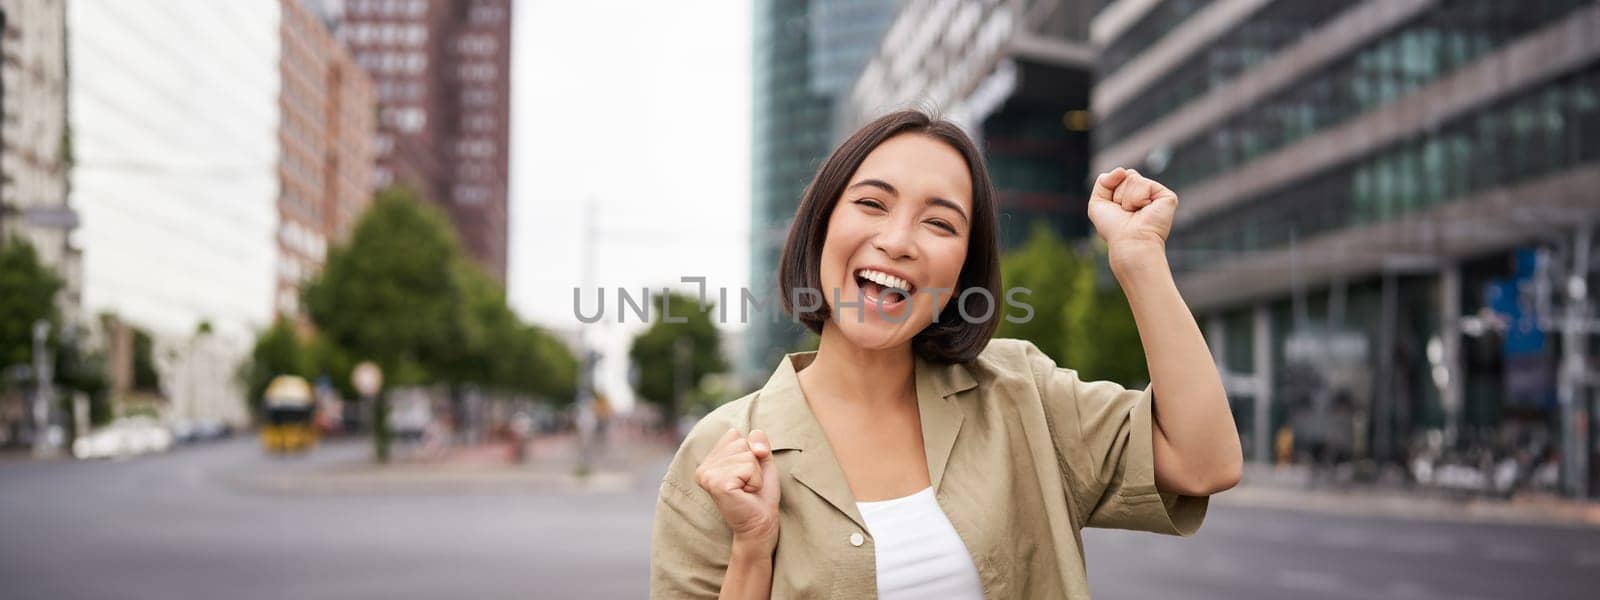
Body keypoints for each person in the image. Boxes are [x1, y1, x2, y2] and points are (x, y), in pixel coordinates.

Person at [651, 109, 1242, 599]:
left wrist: (1138, 258)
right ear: (822, 224)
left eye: (939, 222)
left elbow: (1203, 464)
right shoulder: (718, 452)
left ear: (962, 272)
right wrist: (753, 548)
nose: (899, 241)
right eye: (872, 204)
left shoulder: (1022, 394)